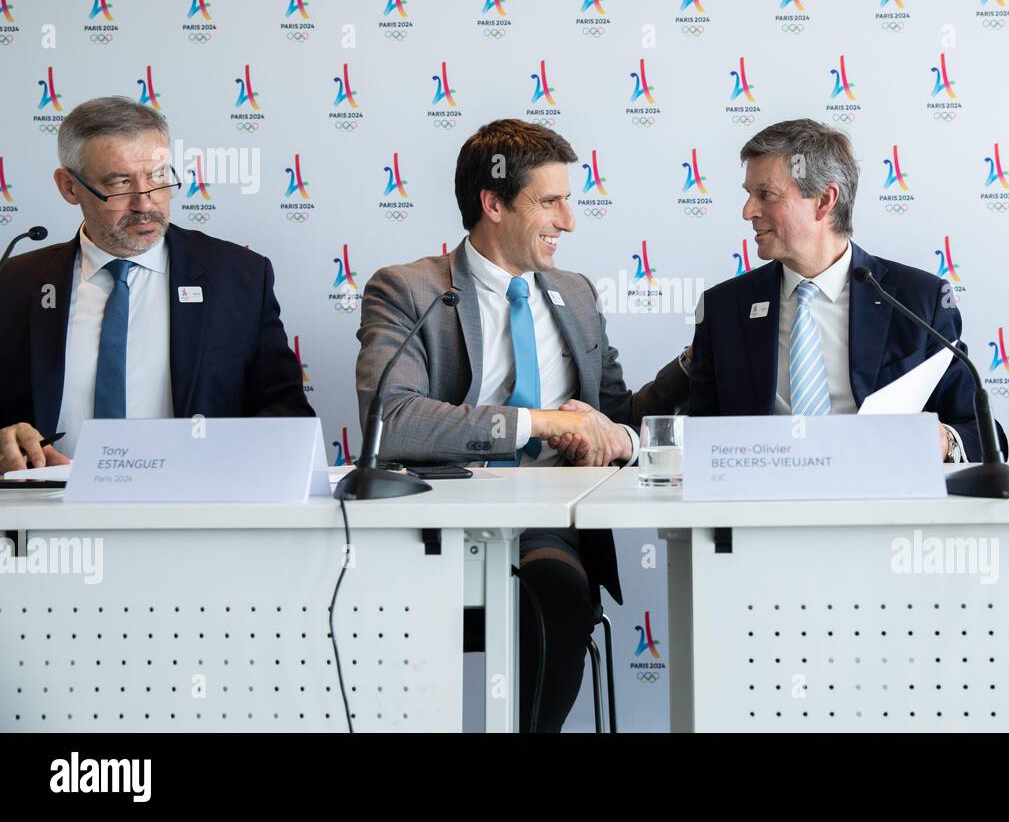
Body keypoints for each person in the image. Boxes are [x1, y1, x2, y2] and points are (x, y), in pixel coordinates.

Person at [354, 118, 687, 731]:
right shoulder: (408, 289)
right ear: (493, 203)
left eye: (569, 200)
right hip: (433, 523)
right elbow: (392, 421)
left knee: (554, 596)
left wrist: (691, 364)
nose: (569, 221)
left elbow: (610, 417)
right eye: (551, 202)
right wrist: (538, 422)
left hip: (546, 528)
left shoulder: (576, 294)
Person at [0, 96, 313, 473]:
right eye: (119, 183)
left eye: (159, 178)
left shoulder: (239, 276)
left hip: (191, 515)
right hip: (47, 516)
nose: (145, 203)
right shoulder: (14, 284)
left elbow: (286, 412)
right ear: (69, 187)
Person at [687, 119, 982, 460]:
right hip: (760, 506)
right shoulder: (724, 308)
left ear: (824, 200)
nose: (748, 211)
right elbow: (699, 441)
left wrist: (943, 439)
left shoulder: (918, 300)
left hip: (884, 503)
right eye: (749, 194)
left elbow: (978, 431)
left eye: (765, 194)